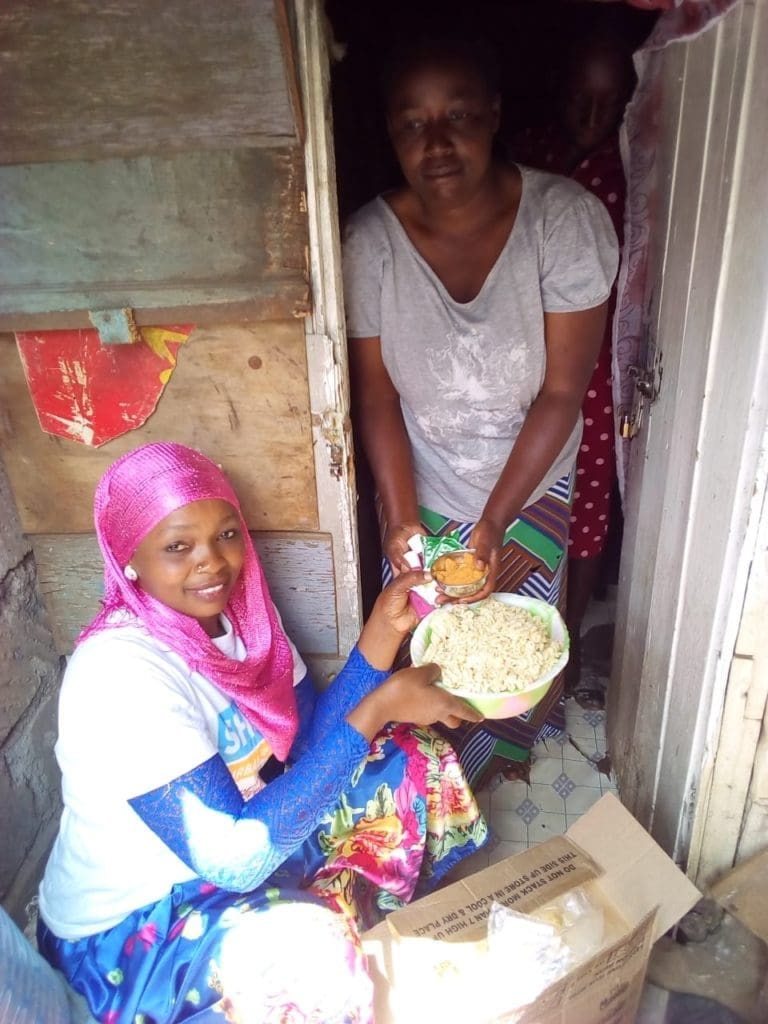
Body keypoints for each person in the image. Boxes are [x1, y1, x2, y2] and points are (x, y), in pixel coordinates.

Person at [36, 441, 488, 1024]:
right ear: (129, 557)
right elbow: (232, 861)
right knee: (308, 966)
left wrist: (383, 630)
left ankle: (380, 917)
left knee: (409, 754)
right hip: (137, 924)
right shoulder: (121, 671)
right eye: (178, 546)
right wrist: (377, 707)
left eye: (226, 535)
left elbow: (302, 745)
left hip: (250, 836)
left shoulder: (240, 619)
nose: (212, 563)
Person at [343, 37, 619, 789]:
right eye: (411, 124)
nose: (435, 143)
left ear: (495, 115)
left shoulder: (564, 222)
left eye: (458, 115)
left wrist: (494, 524)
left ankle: (509, 764)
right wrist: (402, 518)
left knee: (515, 644)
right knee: (434, 648)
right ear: (390, 134)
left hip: (530, 486)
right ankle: (444, 784)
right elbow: (377, 396)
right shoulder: (369, 245)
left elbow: (563, 394)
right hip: (423, 479)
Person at [511, 28, 636, 705]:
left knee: (588, 506)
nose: (592, 118)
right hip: (526, 357)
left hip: (598, 368)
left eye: (608, 104)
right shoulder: (528, 156)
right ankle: (516, 632)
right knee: (522, 491)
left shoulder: (631, 170)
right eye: (580, 101)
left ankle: (566, 640)